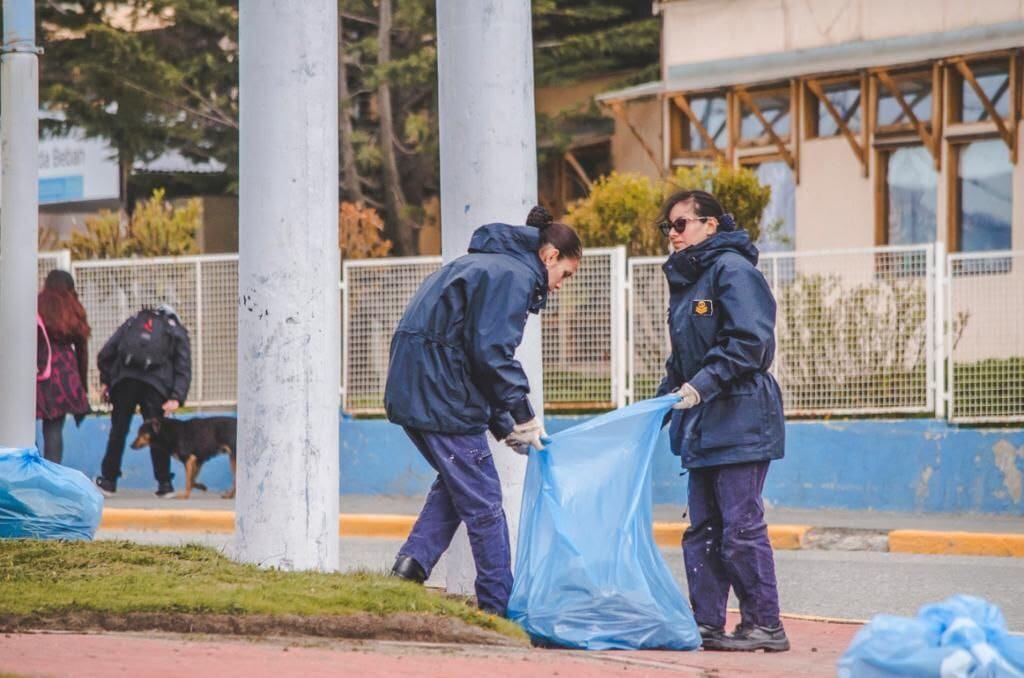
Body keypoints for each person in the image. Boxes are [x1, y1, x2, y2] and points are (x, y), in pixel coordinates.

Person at [385, 205, 582, 616]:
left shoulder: (487, 264)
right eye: (566, 273)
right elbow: (492, 353)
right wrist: (524, 416)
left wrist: (503, 424)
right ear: (549, 257)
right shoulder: (514, 275)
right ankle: (499, 607)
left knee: (459, 487)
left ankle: (406, 574)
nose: (562, 285)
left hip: (419, 385)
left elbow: (472, 353)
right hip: (440, 393)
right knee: (486, 503)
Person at [655, 190, 789, 652]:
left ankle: (765, 625)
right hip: (704, 421)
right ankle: (706, 622)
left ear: (710, 225)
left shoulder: (732, 270)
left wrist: (702, 385)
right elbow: (683, 359)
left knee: (740, 526)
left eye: (681, 224)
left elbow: (749, 342)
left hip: (741, 416)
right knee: (703, 531)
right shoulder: (689, 281)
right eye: (667, 227)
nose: (672, 234)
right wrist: (652, 408)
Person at [95, 304, 192, 498]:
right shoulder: (174, 328)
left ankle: (108, 482)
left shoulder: (134, 321)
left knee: (118, 431)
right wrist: (176, 397)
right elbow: (183, 365)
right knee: (158, 434)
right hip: (155, 386)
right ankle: (164, 484)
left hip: (125, 381)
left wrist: (107, 380)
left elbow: (106, 352)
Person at [35, 270, 92, 464]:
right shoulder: (72, 307)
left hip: (35, 370)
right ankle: (51, 476)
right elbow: (82, 350)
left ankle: (29, 472)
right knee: (53, 428)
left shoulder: (36, 303)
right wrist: (82, 387)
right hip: (64, 373)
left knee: (23, 426)